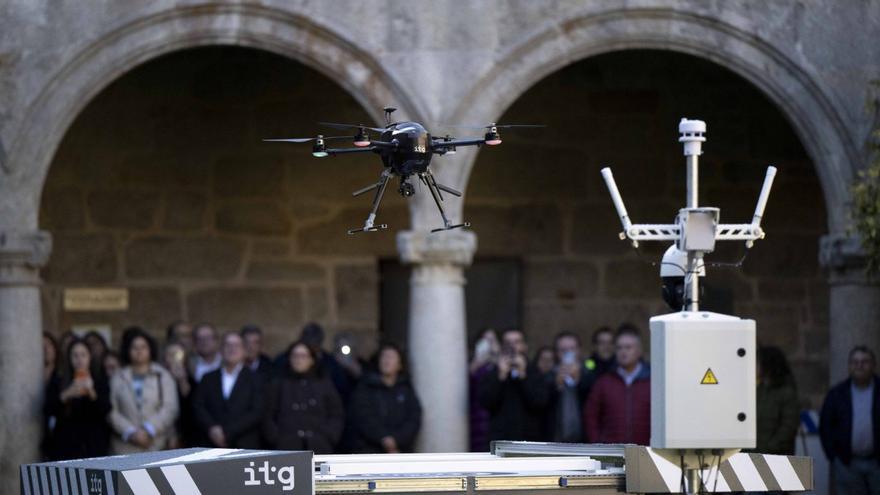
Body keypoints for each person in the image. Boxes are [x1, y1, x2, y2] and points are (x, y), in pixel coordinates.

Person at [263, 340, 344, 453]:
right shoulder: (279, 384)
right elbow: (268, 415)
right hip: (286, 448)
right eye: (295, 356)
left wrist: (328, 437)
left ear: (312, 360)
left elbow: (336, 414)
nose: (299, 360)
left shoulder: (324, 384)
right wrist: (276, 438)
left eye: (303, 356)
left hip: (318, 447)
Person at [820, 345, 880, 495]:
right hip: (847, 464)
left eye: (864, 361)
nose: (859, 366)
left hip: (877, 463)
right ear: (849, 366)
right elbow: (826, 426)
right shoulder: (837, 394)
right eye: (855, 362)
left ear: (873, 365)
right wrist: (834, 457)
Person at [109, 327, 179, 454]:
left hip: (156, 445)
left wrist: (149, 429)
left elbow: (170, 408)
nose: (139, 351)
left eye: (143, 347)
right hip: (124, 448)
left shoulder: (163, 375)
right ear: (128, 350)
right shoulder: (118, 377)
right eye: (134, 347)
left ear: (150, 349)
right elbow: (111, 410)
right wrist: (131, 432)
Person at [43, 337, 112, 460]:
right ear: (69, 358)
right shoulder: (59, 380)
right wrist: (66, 394)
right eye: (75, 355)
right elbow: (48, 409)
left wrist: (92, 392)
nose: (79, 360)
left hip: (94, 448)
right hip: (66, 448)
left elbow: (106, 410)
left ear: (90, 357)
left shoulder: (100, 380)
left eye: (83, 355)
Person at [478, 328, 551, 443]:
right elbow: (485, 402)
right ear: (502, 347)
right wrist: (500, 377)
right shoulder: (493, 373)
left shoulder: (535, 372)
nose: (512, 347)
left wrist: (523, 377)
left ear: (524, 346)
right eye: (508, 343)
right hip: (500, 439)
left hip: (529, 440)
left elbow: (540, 402)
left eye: (517, 342)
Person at [192, 332, 263, 449]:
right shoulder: (208, 378)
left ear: (244, 351)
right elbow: (198, 406)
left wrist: (227, 432)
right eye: (228, 345)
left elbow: (256, 411)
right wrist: (212, 428)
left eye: (236, 345)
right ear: (221, 350)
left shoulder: (256, 379)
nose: (232, 349)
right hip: (210, 444)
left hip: (244, 445)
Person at [583, 325, 650, 445]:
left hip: (647, 449)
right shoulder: (604, 382)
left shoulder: (652, 381)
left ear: (639, 351)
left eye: (628, 347)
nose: (623, 352)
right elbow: (590, 416)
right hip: (611, 451)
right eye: (619, 348)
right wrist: (598, 443)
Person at [350, 344, 422, 453]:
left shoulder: (406, 390)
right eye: (384, 356)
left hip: (399, 451)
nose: (386, 360)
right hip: (370, 451)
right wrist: (384, 438)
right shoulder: (366, 387)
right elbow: (363, 416)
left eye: (391, 357)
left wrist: (397, 440)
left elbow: (414, 417)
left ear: (400, 365)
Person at [750, 346, 800, 455]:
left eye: (757, 363)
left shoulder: (786, 392)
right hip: (755, 454)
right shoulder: (758, 390)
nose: (754, 366)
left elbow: (788, 427)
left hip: (776, 455)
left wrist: (768, 448)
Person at [548, 332, 595, 443]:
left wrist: (578, 380)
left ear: (579, 350)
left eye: (572, 349)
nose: (568, 354)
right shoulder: (548, 374)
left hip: (584, 442)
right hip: (554, 441)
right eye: (563, 350)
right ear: (556, 353)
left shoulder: (589, 373)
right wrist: (556, 385)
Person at [470, 329, 500, 451]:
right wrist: (478, 361)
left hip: (495, 413)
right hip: (476, 413)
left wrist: (497, 358)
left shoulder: (500, 362)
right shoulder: (474, 363)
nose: (489, 344)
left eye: (492, 340)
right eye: (485, 340)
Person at [162, 340, 196, 449]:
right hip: (162, 434)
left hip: (185, 435)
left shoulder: (191, 381)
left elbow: (192, 407)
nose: (174, 359)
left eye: (177, 354)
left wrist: (182, 381)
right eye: (170, 355)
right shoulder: (156, 379)